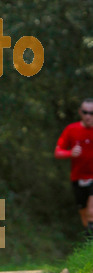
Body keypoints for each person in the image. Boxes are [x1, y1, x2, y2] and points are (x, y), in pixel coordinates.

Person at [54, 98, 93, 237]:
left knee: (91, 211)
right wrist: (70, 153)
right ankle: (89, 241)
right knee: (83, 212)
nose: (88, 116)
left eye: (91, 113)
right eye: (85, 112)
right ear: (80, 112)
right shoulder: (71, 129)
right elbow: (58, 152)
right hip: (77, 177)